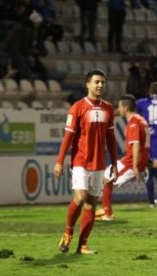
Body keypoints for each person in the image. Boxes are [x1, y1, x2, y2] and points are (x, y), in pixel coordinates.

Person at [54, 69, 118, 255]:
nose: (100, 85)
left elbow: (111, 139)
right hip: (81, 161)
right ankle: (67, 232)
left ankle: (82, 245)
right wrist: (60, 161)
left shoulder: (108, 108)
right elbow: (68, 137)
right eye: (96, 82)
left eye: (103, 82)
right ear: (88, 84)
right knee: (80, 198)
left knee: (91, 203)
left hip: (99, 163)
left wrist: (113, 163)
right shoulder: (77, 107)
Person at [95, 94, 149, 221]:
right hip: (136, 159)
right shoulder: (141, 120)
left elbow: (136, 145)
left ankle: (107, 213)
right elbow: (144, 145)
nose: (118, 110)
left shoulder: (134, 123)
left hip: (131, 161)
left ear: (125, 108)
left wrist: (135, 166)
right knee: (107, 178)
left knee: (106, 178)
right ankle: (106, 210)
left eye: (119, 107)